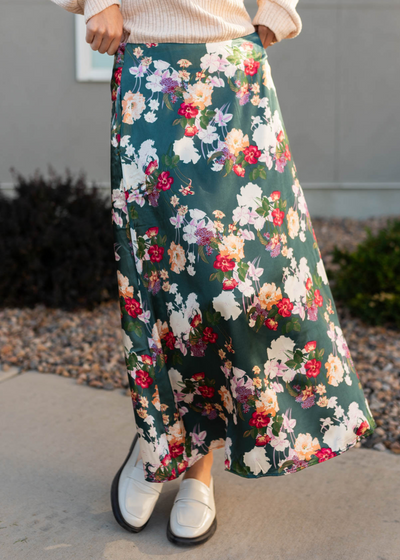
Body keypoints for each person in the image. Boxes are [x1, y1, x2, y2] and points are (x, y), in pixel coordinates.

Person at [51, 0, 376, 547]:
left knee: (239, 288)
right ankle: (166, 446)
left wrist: (279, 7)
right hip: (148, 66)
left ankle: (187, 454)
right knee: (160, 281)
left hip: (232, 70)